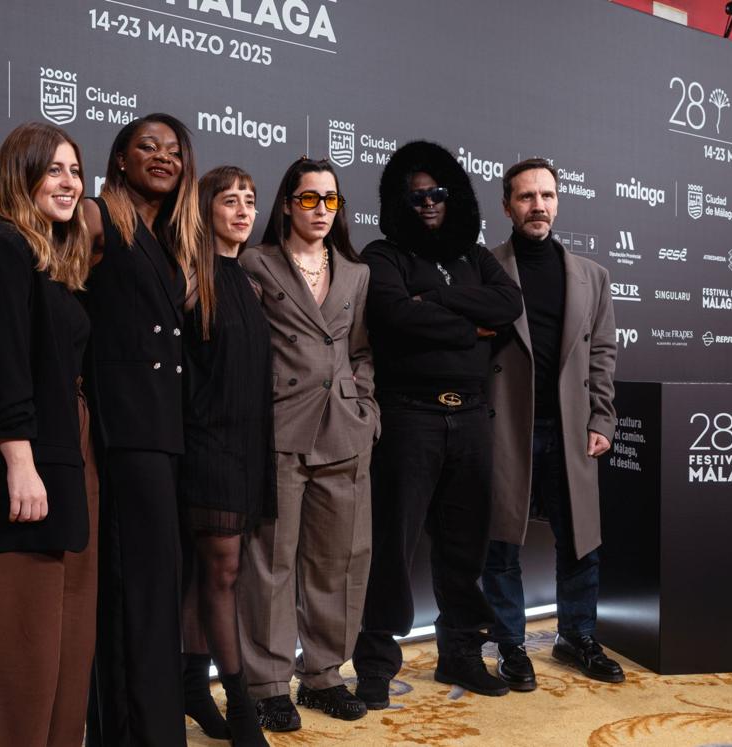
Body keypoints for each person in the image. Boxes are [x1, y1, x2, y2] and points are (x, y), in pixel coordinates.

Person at [351, 141, 523, 706]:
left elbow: (508, 306)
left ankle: (462, 654)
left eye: (437, 193)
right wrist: (466, 326)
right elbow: (395, 316)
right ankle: (376, 662)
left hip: (471, 418)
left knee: (463, 548)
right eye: (415, 195)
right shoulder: (383, 253)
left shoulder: (475, 255)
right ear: (400, 200)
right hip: (410, 417)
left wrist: (439, 299)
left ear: (456, 196)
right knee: (391, 547)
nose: (427, 203)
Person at [0, 121, 97, 747]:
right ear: (20, 174)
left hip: (64, 464)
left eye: (75, 170)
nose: (69, 183)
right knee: (14, 662)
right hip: (19, 475)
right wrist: (19, 461)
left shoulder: (48, 260)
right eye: (54, 169)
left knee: (61, 659)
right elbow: (0, 364)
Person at [237, 157, 378, 732]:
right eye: (309, 199)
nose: (321, 210)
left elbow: (363, 351)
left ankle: (323, 674)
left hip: (344, 429)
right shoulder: (256, 262)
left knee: (340, 559)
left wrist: (366, 409)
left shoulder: (356, 272)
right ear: (287, 204)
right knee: (270, 562)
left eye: (331, 200)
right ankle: (268, 683)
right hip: (279, 427)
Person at [81, 113, 204, 746]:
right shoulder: (97, 216)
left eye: (174, 151)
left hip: (166, 431)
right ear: (121, 159)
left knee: (157, 592)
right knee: (136, 592)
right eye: (147, 147)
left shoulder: (170, 237)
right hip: (126, 433)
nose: (162, 157)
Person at [481, 158, 623, 692]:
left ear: (558, 201)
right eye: (525, 197)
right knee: (500, 543)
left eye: (546, 195)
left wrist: (603, 418)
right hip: (505, 428)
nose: (537, 205)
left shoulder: (593, 275)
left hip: (571, 429)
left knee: (581, 542)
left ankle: (576, 637)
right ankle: (512, 646)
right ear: (507, 206)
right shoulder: (485, 267)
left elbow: (603, 355)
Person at [179, 166, 274, 747]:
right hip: (204, 446)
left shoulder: (249, 280)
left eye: (250, 201)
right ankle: (240, 705)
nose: (243, 211)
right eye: (229, 201)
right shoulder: (192, 278)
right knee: (222, 573)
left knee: (206, 575)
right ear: (204, 208)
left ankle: (193, 685)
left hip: (247, 446)